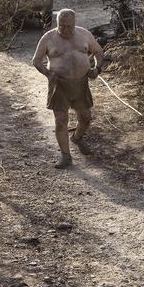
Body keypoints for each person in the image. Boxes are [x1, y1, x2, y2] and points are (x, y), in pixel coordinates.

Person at [32, 9, 104, 168]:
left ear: (75, 23)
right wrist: (47, 73)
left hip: (81, 83)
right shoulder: (48, 38)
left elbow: (98, 51)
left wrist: (97, 69)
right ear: (57, 23)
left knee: (85, 118)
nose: (65, 30)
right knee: (61, 121)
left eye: (69, 26)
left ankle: (77, 138)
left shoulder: (84, 34)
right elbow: (36, 60)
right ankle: (66, 155)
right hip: (59, 84)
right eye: (61, 26)